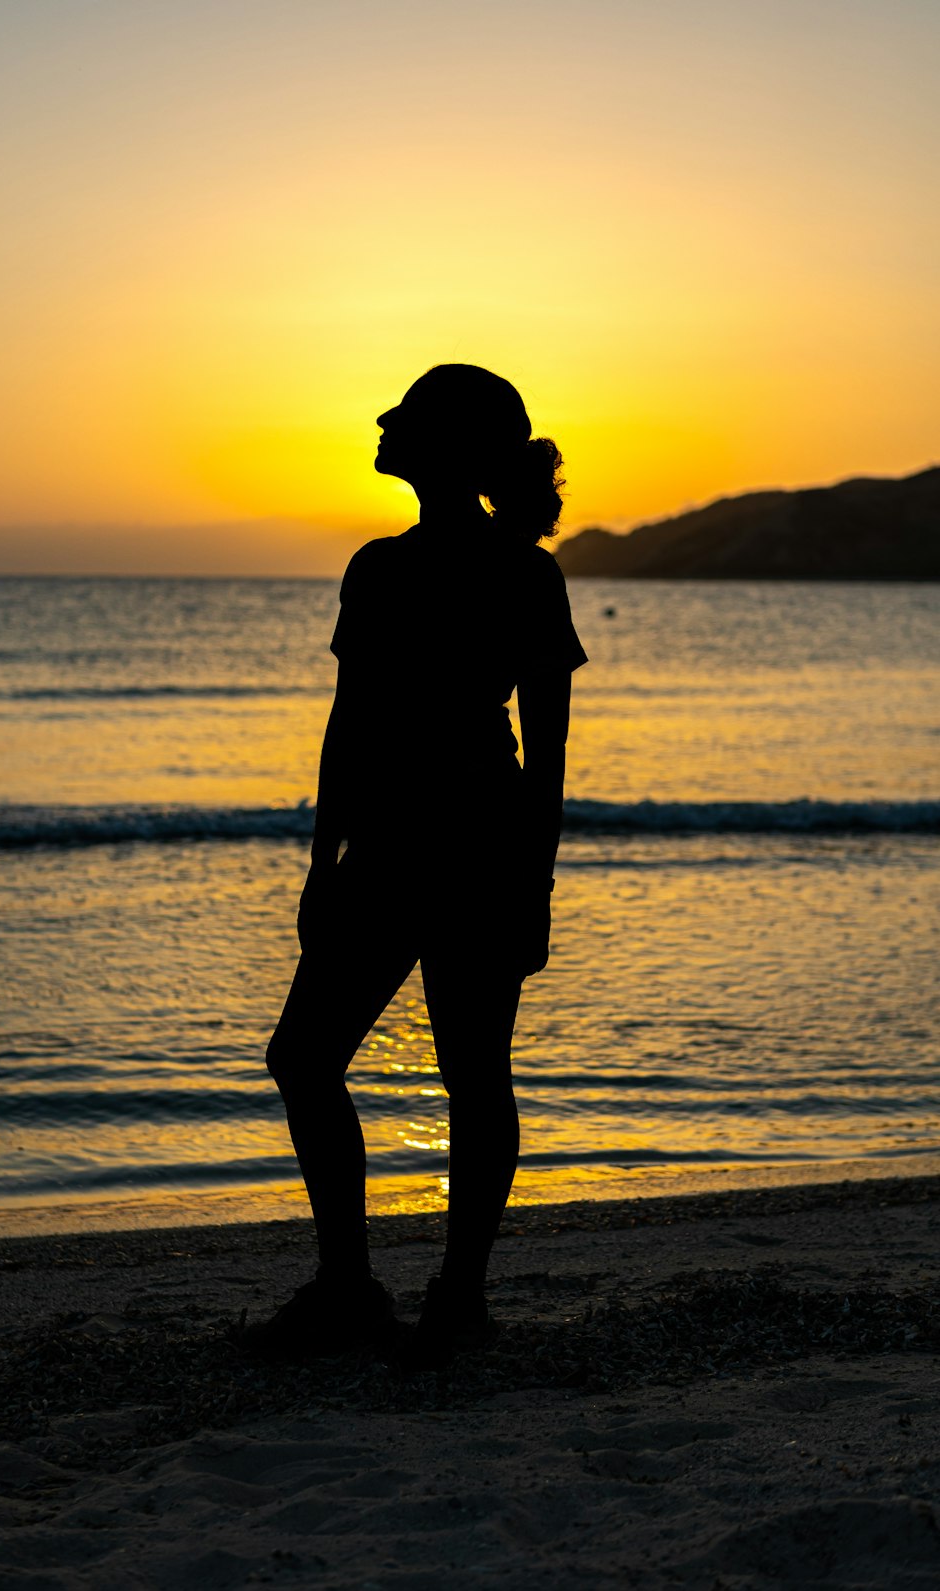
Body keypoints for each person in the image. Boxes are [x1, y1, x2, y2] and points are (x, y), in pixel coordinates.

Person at [249, 363, 587, 1365]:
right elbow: (348, 727)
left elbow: (548, 751)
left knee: (464, 1073)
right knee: (310, 1059)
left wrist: (536, 882)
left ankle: (452, 1296)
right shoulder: (382, 566)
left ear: (446, 445)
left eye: (406, 413)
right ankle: (360, 1286)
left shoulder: (522, 575)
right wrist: (322, 858)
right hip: (403, 845)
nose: (383, 419)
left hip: (461, 842)